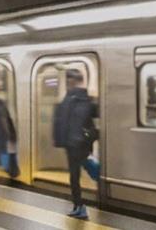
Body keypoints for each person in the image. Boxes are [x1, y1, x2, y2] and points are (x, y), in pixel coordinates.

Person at [53, 69, 98, 220]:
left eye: (68, 80)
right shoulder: (87, 99)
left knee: (75, 176)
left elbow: (62, 122)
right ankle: (78, 206)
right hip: (81, 143)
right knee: (81, 171)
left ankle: (79, 206)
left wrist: (61, 142)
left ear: (71, 81)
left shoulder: (69, 99)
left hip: (73, 144)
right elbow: (90, 119)